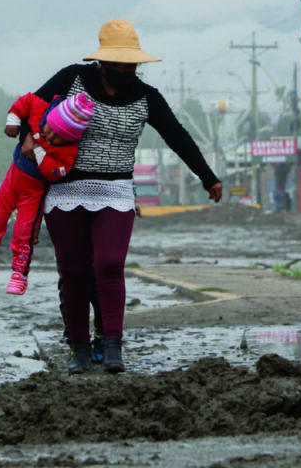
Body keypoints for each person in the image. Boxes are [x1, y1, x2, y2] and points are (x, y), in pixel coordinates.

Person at [35, 19, 222, 375]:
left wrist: (207, 176)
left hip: (116, 190)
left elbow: (176, 135)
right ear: (102, 61)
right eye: (118, 63)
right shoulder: (72, 79)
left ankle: (112, 344)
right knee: (73, 271)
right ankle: (78, 348)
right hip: (65, 189)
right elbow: (32, 107)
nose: (125, 70)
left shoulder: (147, 97)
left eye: (131, 64)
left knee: (108, 264)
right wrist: (29, 138)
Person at [0, 92, 95, 295]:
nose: (50, 138)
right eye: (50, 130)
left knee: (23, 232)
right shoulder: (40, 106)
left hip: (34, 192)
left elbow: (57, 172)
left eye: (59, 138)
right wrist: (13, 120)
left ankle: (20, 273)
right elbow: (24, 101)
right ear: (49, 118)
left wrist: (40, 154)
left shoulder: (69, 150)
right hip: (13, 178)